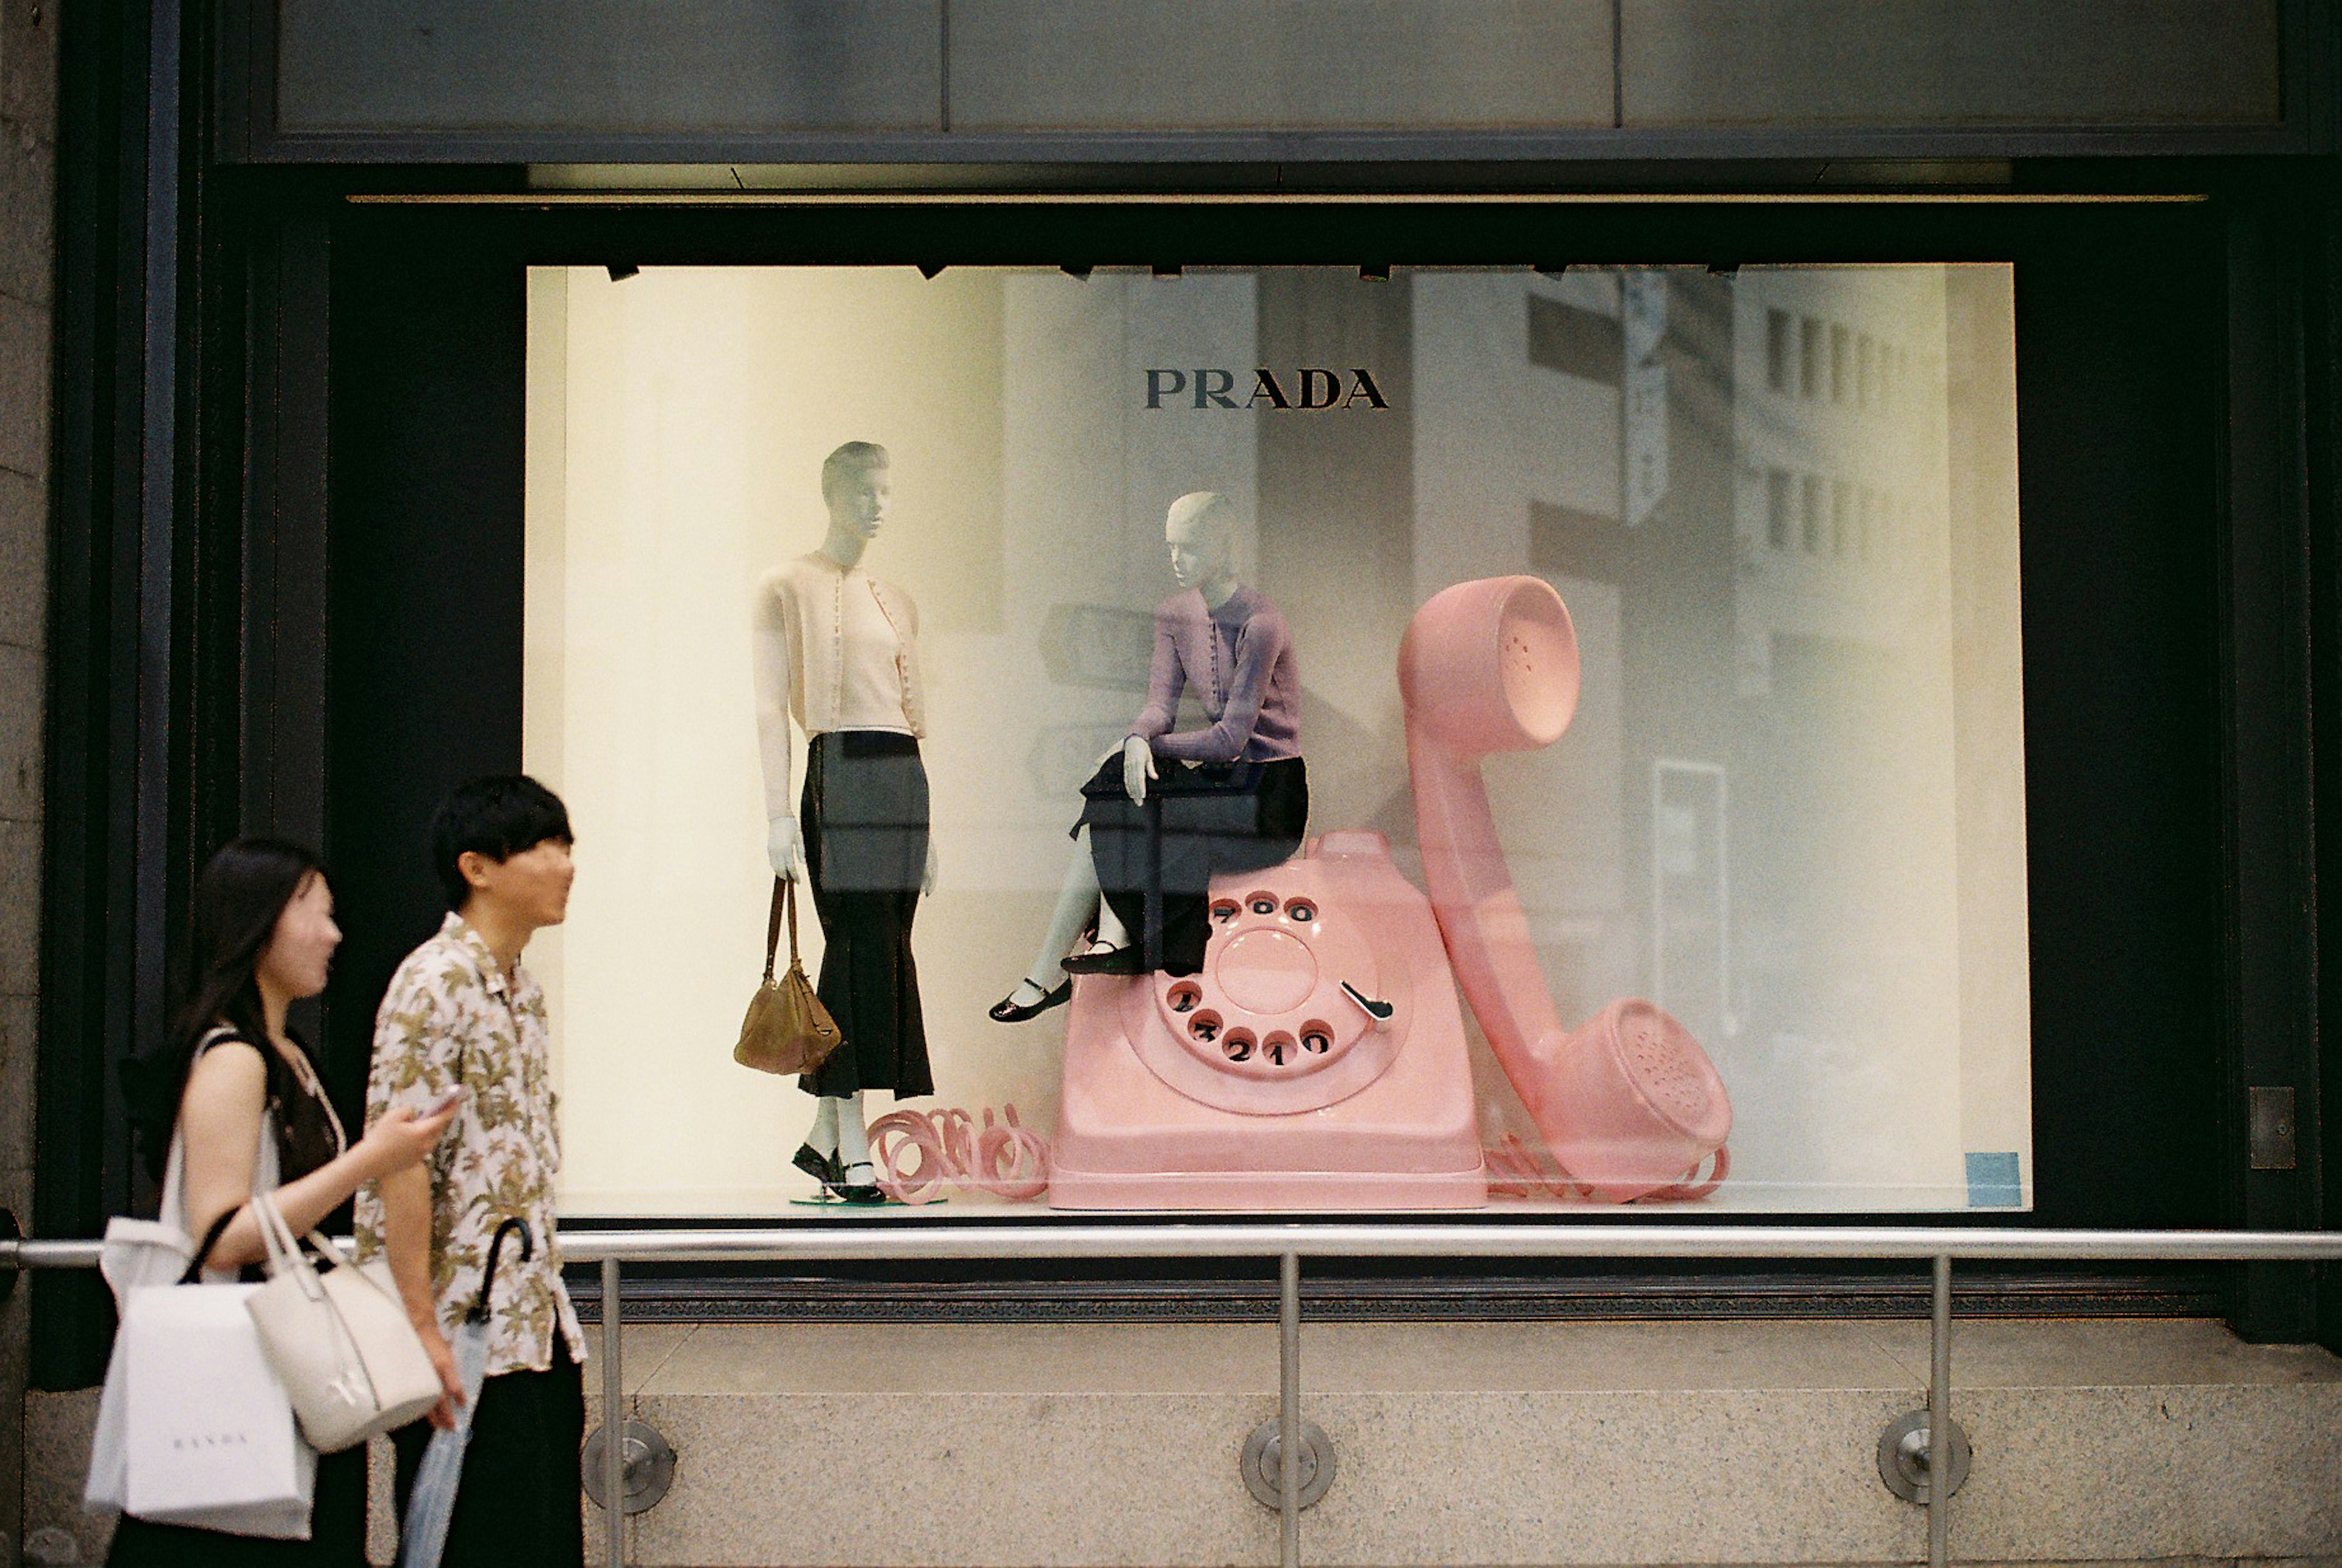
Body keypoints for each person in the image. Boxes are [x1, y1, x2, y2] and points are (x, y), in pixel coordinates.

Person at [109, 839, 458, 1566]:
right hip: (251, 1375)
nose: (334, 936)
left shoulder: (284, 1050)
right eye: (316, 914)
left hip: (294, 1376)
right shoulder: (236, 1058)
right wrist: (371, 1160)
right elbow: (221, 1234)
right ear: (259, 924)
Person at [356, 775, 587, 1567]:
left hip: (534, 1325)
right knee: (468, 1541)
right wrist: (423, 1327)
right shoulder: (434, 980)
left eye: (568, 845)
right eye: (543, 846)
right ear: (477, 866)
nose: (565, 864)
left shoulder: (522, 986)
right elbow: (400, 1164)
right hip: (460, 1336)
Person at [991, 490, 1305, 1009]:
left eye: (1190, 548)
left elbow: (1230, 739)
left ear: (1223, 548)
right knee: (1122, 774)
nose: (1177, 561)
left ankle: (1053, 970)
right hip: (1218, 786)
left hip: (1268, 797)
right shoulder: (1174, 614)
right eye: (1171, 548)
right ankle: (1104, 943)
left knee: (1125, 774)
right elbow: (1158, 704)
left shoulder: (1261, 623)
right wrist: (1138, 736)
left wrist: (1142, 744)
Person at [751, 440, 935, 1204]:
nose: (877, 504)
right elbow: (769, 706)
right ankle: (850, 1138)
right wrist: (776, 815)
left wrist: (935, 828)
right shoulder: (785, 585)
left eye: (887, 490)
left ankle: (824, 1140)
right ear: (831, 492)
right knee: (855, 946)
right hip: (840, 770)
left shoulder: (895, 596)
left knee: (887, 947)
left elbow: (911, 714)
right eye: (864, 489)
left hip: (900, 777)